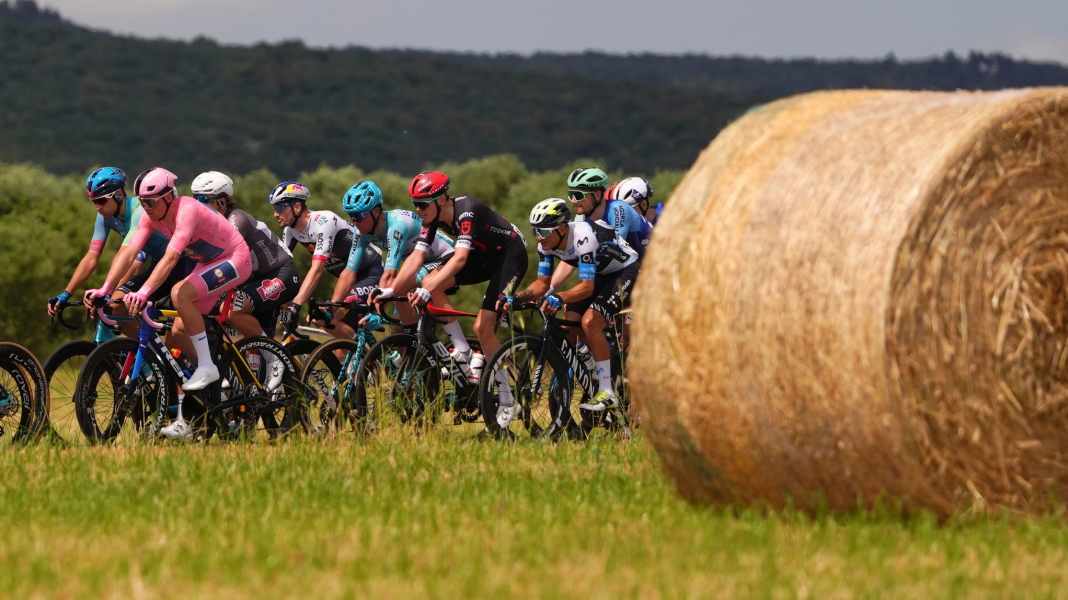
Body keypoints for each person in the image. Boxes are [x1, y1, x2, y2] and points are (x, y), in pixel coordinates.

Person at [86, 167, 252, 438]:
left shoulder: (186, 210)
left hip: (235, 258)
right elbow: (128, 252)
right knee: (176, 332)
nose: (146, 208)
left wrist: (144, 291)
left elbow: (171, 258)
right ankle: (200, 407)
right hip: (208, 263)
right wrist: (106, 288)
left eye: (150, 202)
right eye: (141, 203)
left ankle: (208, 367)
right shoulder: (152, 218)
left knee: (179, 293)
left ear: (168, 197)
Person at [398, 171, 527, 426]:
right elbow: (416, 258)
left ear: (442, 199)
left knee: (483, 327)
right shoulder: (432, 219)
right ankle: (463, 350)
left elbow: (459, 259)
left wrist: (428, 288)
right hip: (483, 257)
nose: (419, 210)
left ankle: (508, 398)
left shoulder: (467, 211)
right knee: (429, 281)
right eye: (415, 205)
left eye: (423, 204)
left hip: (509, 257)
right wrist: (391, 290)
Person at [511, 198, 639, 418]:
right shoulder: (546, 244)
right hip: (600, 273)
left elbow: (587, 288)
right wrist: (517, 298)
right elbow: (542, 283)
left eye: (542, 231)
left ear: (561, 228)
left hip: (624, 272)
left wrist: (559, 297)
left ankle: (607, 390)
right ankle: (588, 364)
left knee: (590, 322)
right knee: (569, 324)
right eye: (535, 231)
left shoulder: (583, 236)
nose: (538, 238)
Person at [50, 167, 169, 339]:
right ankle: (147, 360)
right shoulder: (105, 217)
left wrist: (107, 290)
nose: (97, 207)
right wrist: (66, 293)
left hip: (172, 262)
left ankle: (152, 356)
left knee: (115, 301)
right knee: (114, 306)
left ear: (119, 195)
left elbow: (132, 256)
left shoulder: (139, 211)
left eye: (101, 201)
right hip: (152, 261)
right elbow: (91, 256)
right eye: (94, 202)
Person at [334, 179, 454, 334]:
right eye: (351, 216)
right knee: (397, 325)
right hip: (418, 264)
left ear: (376, 211)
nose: (354, 222)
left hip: (444, 258)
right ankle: (413, 344)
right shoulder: (361, 232)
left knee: (398, 291)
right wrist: (333, 306)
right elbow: (348, 273)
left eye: (359, 216)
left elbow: (390, 274)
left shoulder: (397, 226)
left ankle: (455, 347)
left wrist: (376, 313)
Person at [266, 180, 383, 338]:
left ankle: (372, 354)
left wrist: (297, 304)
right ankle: (361, 353)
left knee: (332, 311)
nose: (275, 214)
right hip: (347, 279)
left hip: (371, 272)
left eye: (279, 208)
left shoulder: (323, 221)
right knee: (320, 318)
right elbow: (280, 269)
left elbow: (317, 269)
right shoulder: (290, 231)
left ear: (297, 207)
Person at [567, 168, 652, 258]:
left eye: (578, 195)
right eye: (570, 195)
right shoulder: (580, 219)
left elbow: (615, 247)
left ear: (597, 195)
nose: (573, 201)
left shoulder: (618, 209)